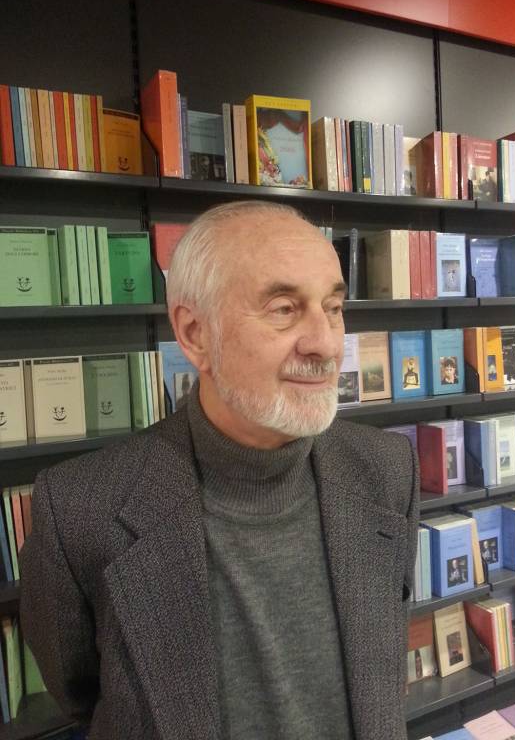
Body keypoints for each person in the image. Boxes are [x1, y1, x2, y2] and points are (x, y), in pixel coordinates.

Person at [20, 201, 419, 740]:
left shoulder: (388, 470)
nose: (327, 344)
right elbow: (79, 693)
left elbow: (382, 666)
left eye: (333, 306)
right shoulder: (80, 508)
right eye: (284, 309)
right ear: (195, 335)